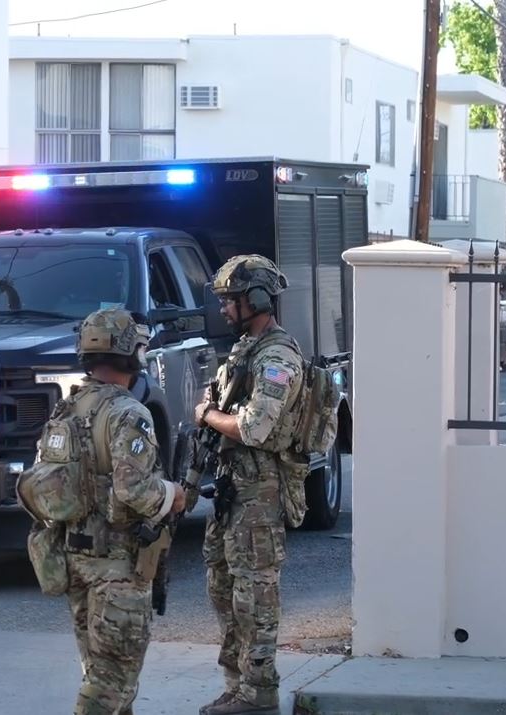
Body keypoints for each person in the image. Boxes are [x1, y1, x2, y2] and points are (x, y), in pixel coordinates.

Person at [29, 307, 187, 715]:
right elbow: (134, 490)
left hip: (75, 559)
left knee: (99, 672)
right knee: (111, 682)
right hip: (117, 566)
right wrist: (174, 494)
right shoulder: (128, 413)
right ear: (130, 354)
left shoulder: (67, 410)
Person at [194, 255, 307, 715]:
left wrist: (207, 415)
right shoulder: (247, 350)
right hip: (233, 488)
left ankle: (259, 693)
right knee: (223, 587)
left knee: (254, 594)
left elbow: (256, 429)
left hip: (260, 491)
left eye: (231, 300)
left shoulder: (277, 357)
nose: (224, 309)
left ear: (256, 299)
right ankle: (237, 685)